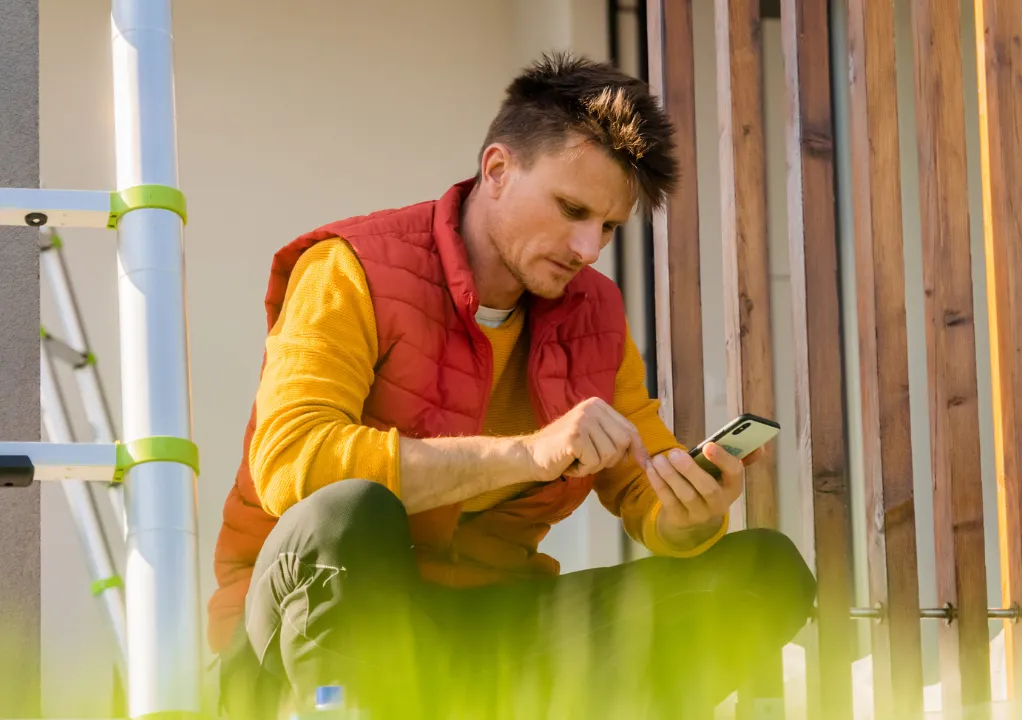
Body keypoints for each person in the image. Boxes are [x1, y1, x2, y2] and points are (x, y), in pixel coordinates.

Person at [209, 52, 816, 719]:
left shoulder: (594, 312)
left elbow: (644, 484)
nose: (588, 246)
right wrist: (531, 453)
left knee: (763, 570)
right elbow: (294, 464)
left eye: (608, 226)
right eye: (571, 208)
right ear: (498, 170)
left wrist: (688, 510)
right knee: (348, 512)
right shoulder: (348, 269)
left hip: (487, 627)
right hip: (307, 630)